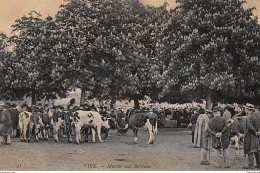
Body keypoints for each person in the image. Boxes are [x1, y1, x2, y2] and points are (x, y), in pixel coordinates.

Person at [243, 104, 260, 169]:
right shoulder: (256, 116)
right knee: (256, 150)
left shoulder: (249, 116)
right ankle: (259, 164)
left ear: (248, 109)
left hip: (250, 135)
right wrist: (257, 131)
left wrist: (254, 131)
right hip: (256, 135)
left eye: (245, 109)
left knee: (250, 150)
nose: (245, 110)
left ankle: (251, 165)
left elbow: (249, 126)